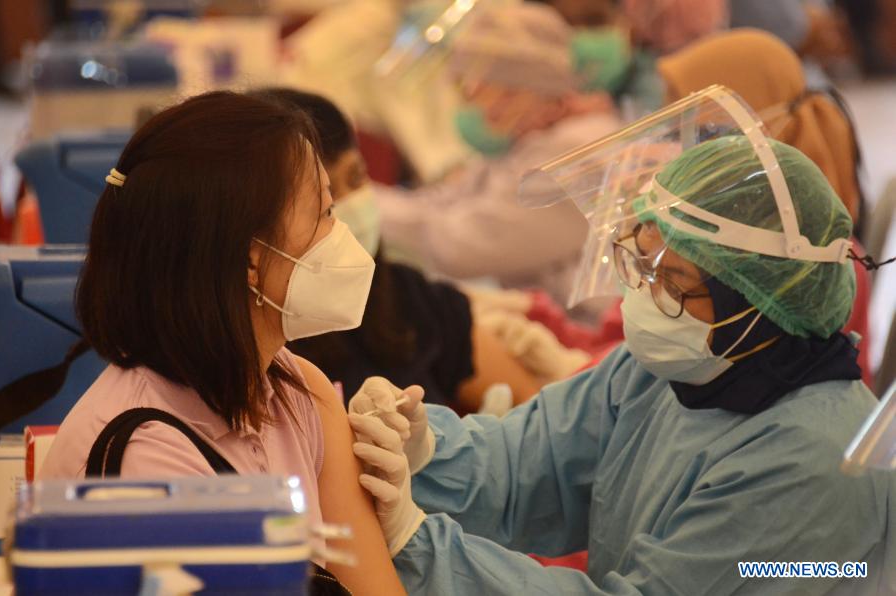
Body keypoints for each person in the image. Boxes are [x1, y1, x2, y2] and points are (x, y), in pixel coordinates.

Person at [345, 93, 896, 594]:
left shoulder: (811, 466)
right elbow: (533, 462)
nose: (648, 297)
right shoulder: (676, 368)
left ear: (755, 306)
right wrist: (426, 453)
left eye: (675, 284)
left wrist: (417, 543)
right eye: (642, 260)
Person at [38, 91, 405, 595]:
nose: (340, 234)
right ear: (250, 260)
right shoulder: (140, 462)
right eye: (323, 213)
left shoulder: (299, 391)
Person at [250, 87, 549, 411]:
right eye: (323, 201)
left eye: (357, 177)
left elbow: (532, 411)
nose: (347, 206)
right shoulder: (266, 348)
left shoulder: (408, 297)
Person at [656, 27, 874, 386]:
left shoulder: (811, 269)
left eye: (701, 136)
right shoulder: (735, 236)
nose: (677, 153)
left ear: (755, 134)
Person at [376, 3, 623, 312]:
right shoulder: (530, 140)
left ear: (523, 87)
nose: (471, 98)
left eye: (482, 85)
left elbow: (462, 247)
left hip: (595, 334)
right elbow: (446, 201)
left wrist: (362, 206)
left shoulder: (574, 150)